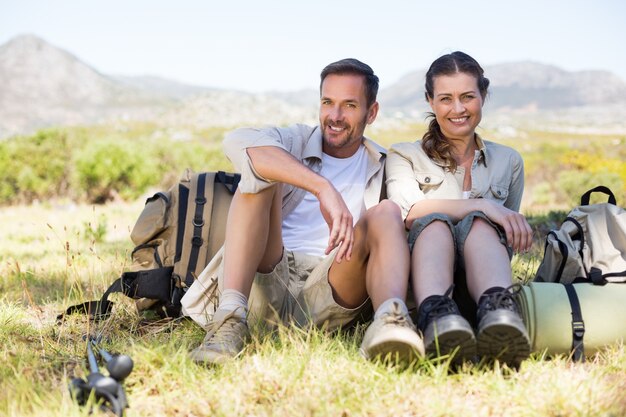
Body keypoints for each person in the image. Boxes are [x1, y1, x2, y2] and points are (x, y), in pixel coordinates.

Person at [182, 58, 424, 365]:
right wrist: (322, 188)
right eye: (327, 102)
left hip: (333, 280)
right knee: (259, 174)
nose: (335, 116)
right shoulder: (295, 141)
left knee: (387, 211)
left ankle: (390, 324)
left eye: (349, 105)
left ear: (371, 112)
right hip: (269, 271)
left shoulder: (385, 163)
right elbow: (236, 142)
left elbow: (414, 214)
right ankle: (229, 322)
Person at [385, 51, 532, 367]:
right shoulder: (404, 154)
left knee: (481, 224)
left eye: (468, 96)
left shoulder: (509, 161)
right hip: (426, 284)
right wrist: (482, 204)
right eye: (445, 99)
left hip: (484, 280)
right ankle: (438, 322)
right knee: (434, 222)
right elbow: (409, 212)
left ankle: (500, 316)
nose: (458, 109)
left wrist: (486, 213)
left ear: (483, 96)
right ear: (430, 101)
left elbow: (505, 231)